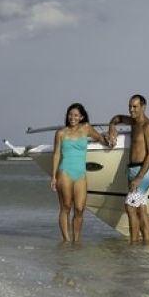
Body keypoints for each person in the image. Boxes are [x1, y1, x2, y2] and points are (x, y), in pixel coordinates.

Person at [49, 103, 111, 245]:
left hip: (80, 174)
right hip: (64, 172)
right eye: (70, 115)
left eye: (76, 115)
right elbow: (56, 154)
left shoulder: (86, 128)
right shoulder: (60, 133)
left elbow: (100, 138)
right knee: (66, 207)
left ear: (81, 117)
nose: (72, 117)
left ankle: (76, 241)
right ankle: (66, 241)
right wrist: (53, 176)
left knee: (79, 209)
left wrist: (110, 140)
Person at [106, 94, 149, 244]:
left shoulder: (148, 126)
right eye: (130, 106)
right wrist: (112, 128)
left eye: (135, 107)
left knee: (130, 207)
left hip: (143, 172)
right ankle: (146, 244)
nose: (131, 110)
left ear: (143, 107)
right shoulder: (133, 122)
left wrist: (139, 177)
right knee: (141, 209)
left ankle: (133, 244)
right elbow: (116, 118)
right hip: (133, 170)